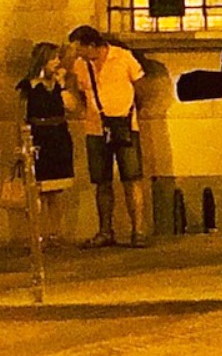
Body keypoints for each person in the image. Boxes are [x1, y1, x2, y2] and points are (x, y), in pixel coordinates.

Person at [68, 25, 147, 248]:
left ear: (92, 45)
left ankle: (138, 230)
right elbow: (78, 92)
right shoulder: (81, 65)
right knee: (101, 181)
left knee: (132, 179)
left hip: (125, 125)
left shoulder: (122, 57)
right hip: (95, 129)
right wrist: (88, 111)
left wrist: (132, 111)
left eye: (79, 48)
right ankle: (105, 231)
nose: (77, 53)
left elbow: (141, 87)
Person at [15, 43, 76, 247]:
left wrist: (62, 84)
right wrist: (21, 144)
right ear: (43, 60)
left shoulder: (58, 85)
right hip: (38, 137)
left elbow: (72, 106)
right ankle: (37, 233)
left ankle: (55, 233)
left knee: (56, 190)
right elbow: (21, 116)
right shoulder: (28, 86)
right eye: (53, 58)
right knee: (37, 189)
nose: (57, 62)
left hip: (58, 136)